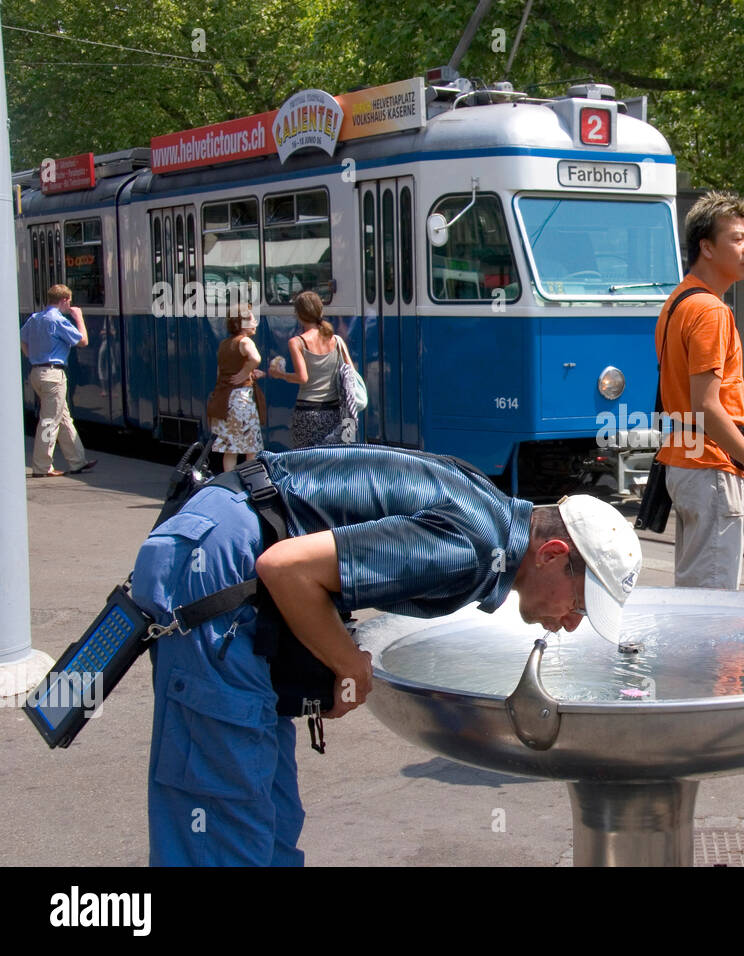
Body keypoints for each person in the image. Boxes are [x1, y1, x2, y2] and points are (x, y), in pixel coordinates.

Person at [132, 445, 642, 865]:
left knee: (268, 813)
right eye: (579, 604)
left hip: (238, 539)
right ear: (551, 555)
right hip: (217, 569)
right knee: (222, 818)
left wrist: (334, 651)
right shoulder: (467, 549)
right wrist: (348, 665)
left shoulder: (487, 514)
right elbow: (286, 568)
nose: (573, 622)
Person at [654, 192, 744, 589]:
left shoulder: (677, 302)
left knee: (694, 591)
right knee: (712, 606)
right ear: (706, 247)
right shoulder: (712, 311)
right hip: (710, 467)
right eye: (736, 238)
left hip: (683, 461)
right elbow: (707, 407)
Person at [19, 284, 96, 477]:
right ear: (63, 300)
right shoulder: (58, 320)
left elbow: (21, 339)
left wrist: (32, 358)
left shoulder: (35, 318)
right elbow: (83, 341)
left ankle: (77, 461)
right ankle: (42, 466)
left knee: (63, 417)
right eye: (69, 302)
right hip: (53, 375)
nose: (69, 305)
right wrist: (78, 317)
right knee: (49, 422)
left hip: (37, 372)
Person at [267, 291, 356, 447]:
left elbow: (303, 378)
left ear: (298, 314)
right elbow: (350, 372)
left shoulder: (297, 342)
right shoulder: (336, 340)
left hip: (307, 412)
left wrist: (280, 374)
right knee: (331, 459)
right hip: (334, 412)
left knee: (306, 461)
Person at [207, 305, 267, 472]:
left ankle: (229, 482)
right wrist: (245, 372)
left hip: (225, 400)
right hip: (241, 400)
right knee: (250, 446)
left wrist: (247, 372)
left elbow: (221, 372)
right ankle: (249, 480)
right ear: (239, 323)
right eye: (250, 319)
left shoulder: (224, 344)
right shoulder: (245, 341)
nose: (255, 321)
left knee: (230, 448)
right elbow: (255, 358)